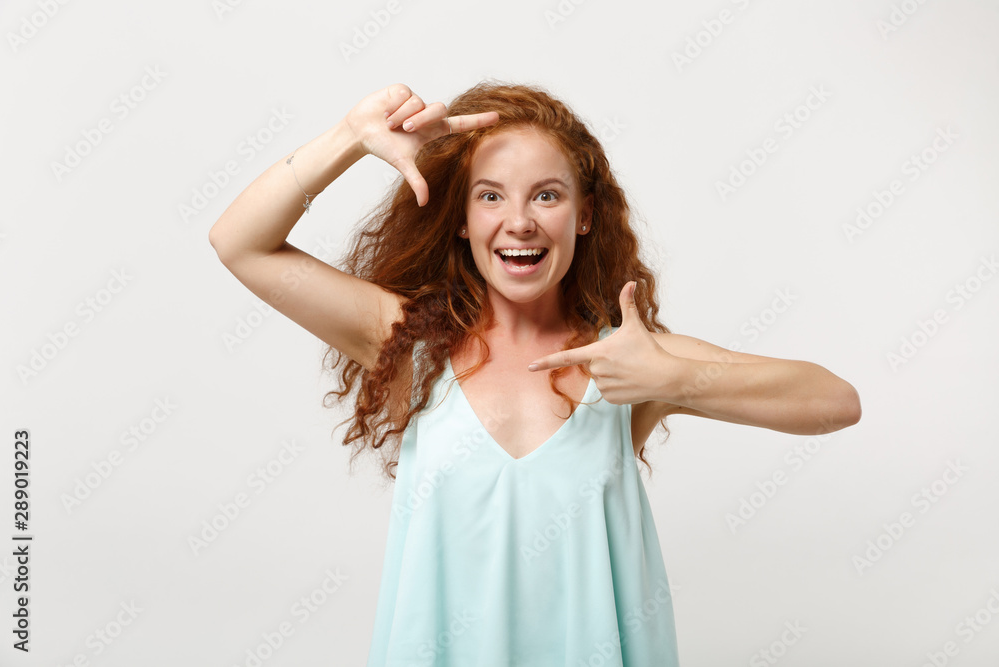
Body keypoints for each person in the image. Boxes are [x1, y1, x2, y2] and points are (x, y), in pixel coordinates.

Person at [209, 81, 861, 666]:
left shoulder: (631, 359)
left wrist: (674, 376)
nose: (518, 220)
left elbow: (836, 402)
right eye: (489, 196)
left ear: (583, 215)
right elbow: (240, 242)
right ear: (462, 221)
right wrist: (351, 137)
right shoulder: (408, 340)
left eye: (545, 195)